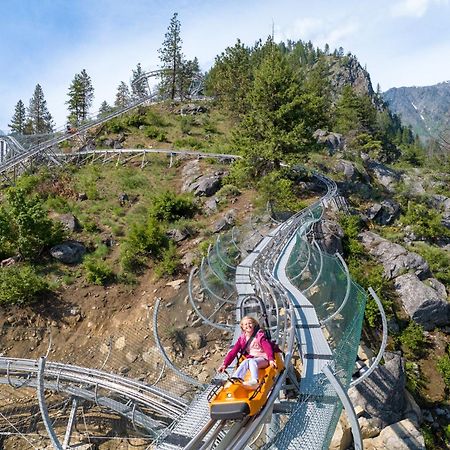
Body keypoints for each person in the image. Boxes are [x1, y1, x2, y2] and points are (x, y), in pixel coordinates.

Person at [218, 316, 277, 388]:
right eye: (245, 324)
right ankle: (235, 378)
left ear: (254, 324)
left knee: (251, 361)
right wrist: (225, 364)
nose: (248, 326)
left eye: (250, 323)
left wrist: (271, 359)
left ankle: (255, 381)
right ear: (242, 327)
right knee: (245, 362)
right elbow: (233, 352)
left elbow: (267, 347)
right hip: (252, 359)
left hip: (263, 359)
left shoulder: (260, 336)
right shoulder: (242, 339)